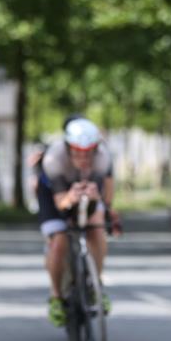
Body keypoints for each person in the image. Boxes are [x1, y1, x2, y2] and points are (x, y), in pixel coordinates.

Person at [39, 117, 120, 327]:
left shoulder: (103, 158)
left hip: (87, 190)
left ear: (96, 149)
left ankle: (95, 285)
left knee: (97, 229)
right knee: (59, 241)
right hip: (55, 195)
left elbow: (106, 191)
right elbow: (61, 203)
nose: (83, 158)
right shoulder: (53, 159)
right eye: (77, 152)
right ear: (68, 148)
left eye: (88, 153)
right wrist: (70, 198)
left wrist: (105, 206)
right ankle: (56, 297)